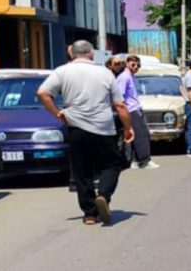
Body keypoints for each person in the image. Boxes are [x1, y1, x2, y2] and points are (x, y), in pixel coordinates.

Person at [36, 40, 134, 226]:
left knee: (82, 171)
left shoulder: (62, 71)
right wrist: (128, 128)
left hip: (76, 128)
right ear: (91, 54)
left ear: (72, 54)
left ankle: (90, 214)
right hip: (103, 129)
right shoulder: (105, 73)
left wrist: (58, 113)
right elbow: (120, 105)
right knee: (112, 165)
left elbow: (42, 93)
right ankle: (104, 195)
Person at [114, 55, 157, 169]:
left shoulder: (132, 77)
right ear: (127, 64)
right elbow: (120, 96)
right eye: (133, 64)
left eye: (138, 65)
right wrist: (125, 110)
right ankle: (144, 161)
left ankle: (136, 160)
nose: (136, 67)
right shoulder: (124, 77)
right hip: (131, 110)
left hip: (136, 107)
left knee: (138, 134)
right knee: (141, 135)